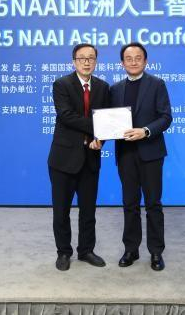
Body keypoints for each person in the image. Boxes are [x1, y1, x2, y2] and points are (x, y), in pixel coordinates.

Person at [48, 43, 110, 271]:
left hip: (90, 158)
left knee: (88, 210)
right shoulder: (62, 84)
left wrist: (101, 138)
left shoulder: (103, 87)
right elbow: (66, 116)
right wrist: (99, 126)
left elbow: (107, 119)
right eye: (82, 58)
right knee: (61, 211)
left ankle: (86, 250)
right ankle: (64, 252)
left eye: (91, 58)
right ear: (73, 61)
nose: (86, 62)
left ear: (96, 62)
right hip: (63, 159)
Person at [110, 42, 172, 271]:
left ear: (146, 61)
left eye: (138, 58)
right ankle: (131, 249)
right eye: (129, 58)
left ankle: (156, 252)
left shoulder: (157, 84)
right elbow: (109, 121)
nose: (133, 62)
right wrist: (99, 137)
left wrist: (145, 131)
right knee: (130, 203)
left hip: (151, 153)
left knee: (153, 204)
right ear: (122, 63)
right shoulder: (115, 89)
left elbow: (165, 117)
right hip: (126, 154)